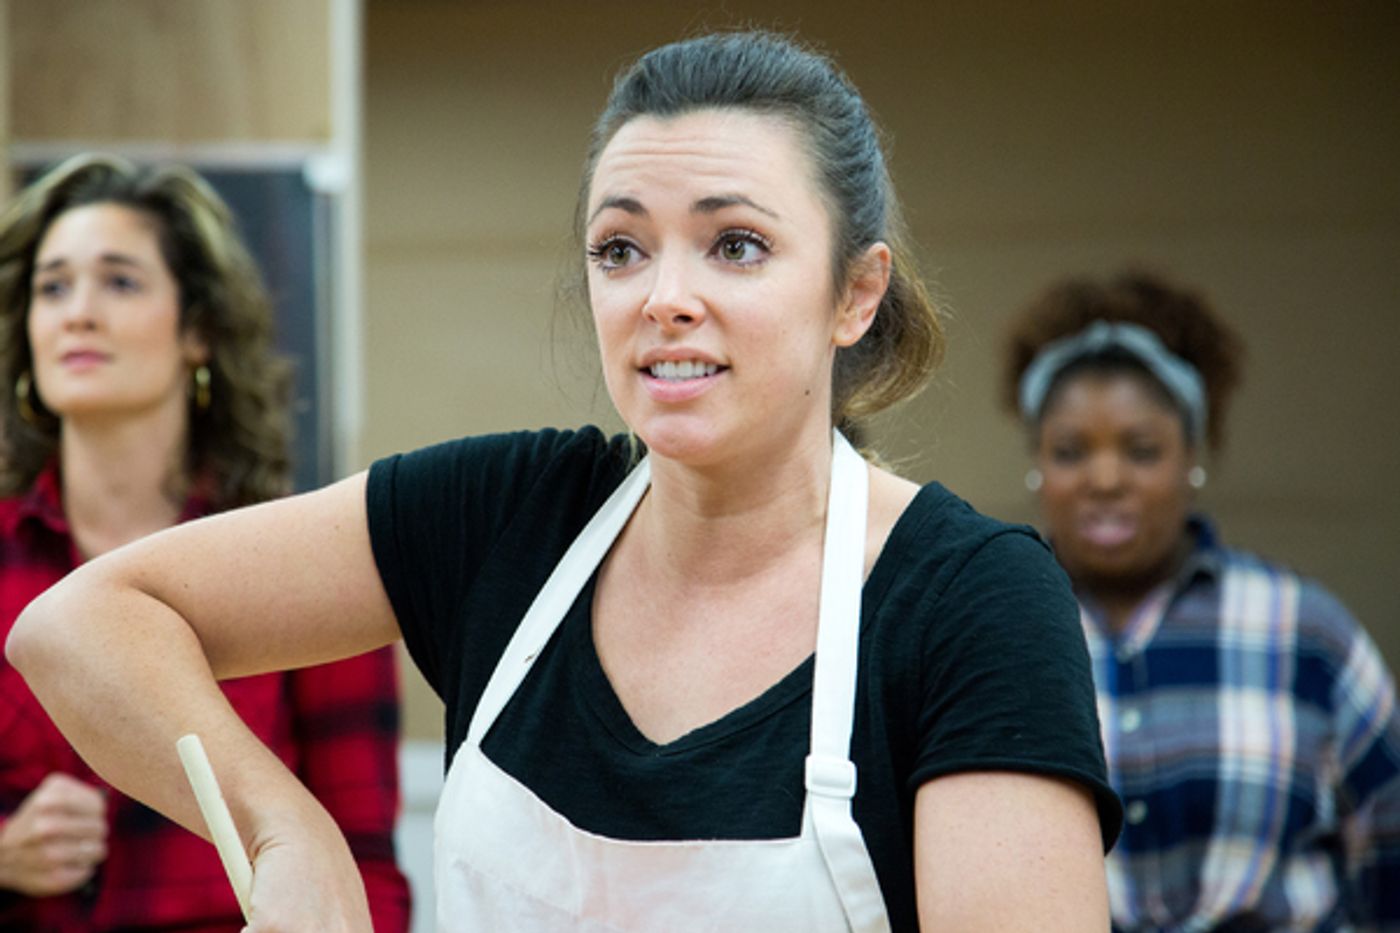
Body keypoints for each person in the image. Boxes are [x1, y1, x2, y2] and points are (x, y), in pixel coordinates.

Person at [9, 33, 1120, 932]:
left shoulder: (973, 602)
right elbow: (81, 624)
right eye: (619, 249)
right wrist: (282, 835)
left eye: (734, 245)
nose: (662, 296)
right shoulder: (504, 517)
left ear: (854, 294)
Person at [0, 155, 411, 931]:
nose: (76, 312)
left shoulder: (305, 564)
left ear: (197, 330)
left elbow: (364, 863)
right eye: (52, 287)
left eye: (119, 281)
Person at [1000, 268, 1400, 931]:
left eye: (1142, 449)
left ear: (1193, 452)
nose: (1105, 478)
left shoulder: (1303, 632)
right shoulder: (993, 633)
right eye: (1071, 451)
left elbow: (1387, 839)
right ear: (1037, 460)